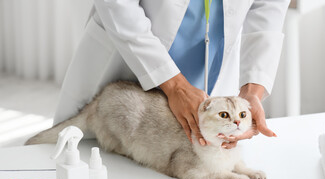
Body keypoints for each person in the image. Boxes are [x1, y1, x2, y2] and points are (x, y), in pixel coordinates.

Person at [54, 0, 290, 149]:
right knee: (88, 168)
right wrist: (175, 86)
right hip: (125, 58)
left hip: (211, 64)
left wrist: (252, 90)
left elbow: (269, 6)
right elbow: (117, 4)